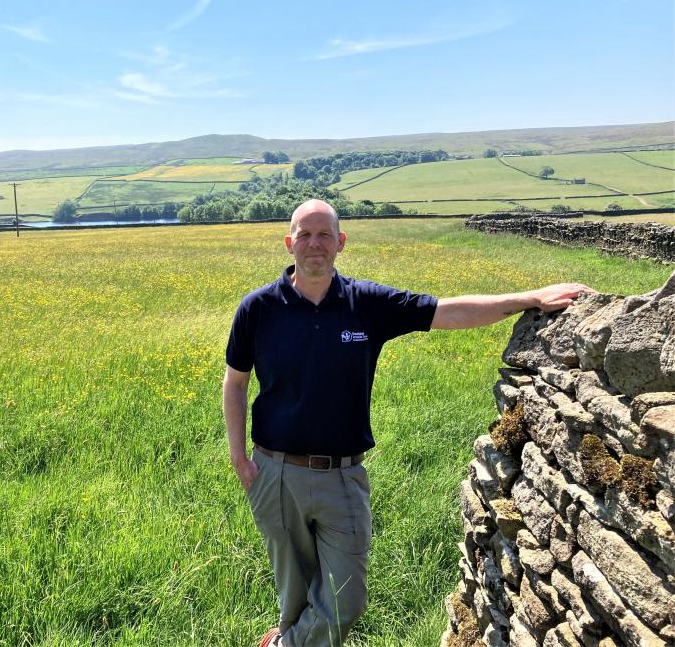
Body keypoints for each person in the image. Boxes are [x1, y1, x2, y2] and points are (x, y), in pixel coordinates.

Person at [222, 199, 593, 647]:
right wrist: (239, 459)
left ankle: (283, 644)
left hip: (342, 476)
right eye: (304, 234)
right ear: (289, 243)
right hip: (276, 472)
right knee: (294, 594)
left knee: (345, 599)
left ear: (341, 242)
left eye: (324, 235)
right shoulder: (258, 308)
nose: (314, 244)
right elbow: (236, 383)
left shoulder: (367, 304)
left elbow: (447, 311)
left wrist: (527, 299)